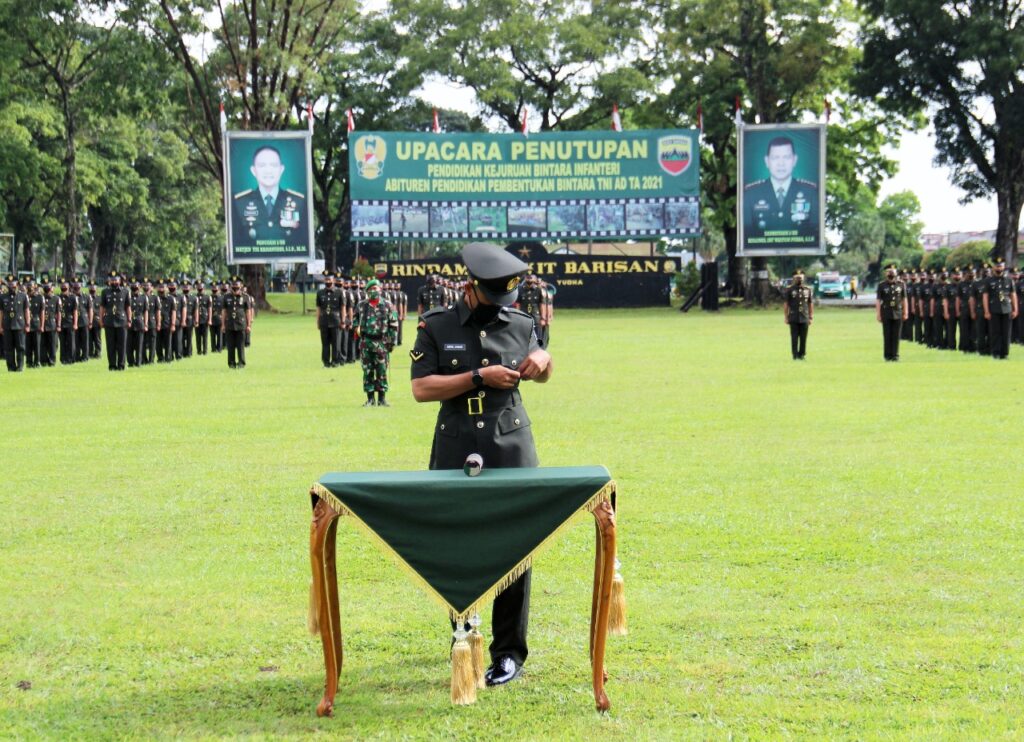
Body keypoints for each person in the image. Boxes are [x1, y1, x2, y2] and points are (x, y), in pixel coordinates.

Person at [409, 242, 552, 687]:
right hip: (456, 444)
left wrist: (543, 360)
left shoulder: (521, 322)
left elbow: (543, 366)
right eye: (495, 298)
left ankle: (508, 653)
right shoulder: (437, 324)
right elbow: (421, 388)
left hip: (510, 445)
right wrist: (476, 377)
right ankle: (463, 635)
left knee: (518, 546)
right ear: (472, 287)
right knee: (456, 542)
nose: (501, 308)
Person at [743, 136, 818, 241]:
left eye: (786, 157)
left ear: (794, 160)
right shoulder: (751, 194)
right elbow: (747, 232)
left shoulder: (810, 193)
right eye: (775, 158)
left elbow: (815, 230)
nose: (781, 163)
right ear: (767, 161)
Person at [231, 145, 306, 247]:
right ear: (253, 170)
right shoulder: (240, 202)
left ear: (281, 169)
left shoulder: (299, 201)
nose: (268, 170)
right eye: (262, 165)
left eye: (274, 165)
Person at [354, 278, 398, 406]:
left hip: (381, 343)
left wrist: (391, 343)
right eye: (371, 289)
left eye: (376, 288)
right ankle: (370, 399)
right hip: (366, 343)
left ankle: (382, 399)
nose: (374, 291)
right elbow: (355, 321)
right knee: (368, 371)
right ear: (367, 291)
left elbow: (393, 325)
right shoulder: (361, 305)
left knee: (381, 370)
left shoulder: (388, 305)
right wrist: (357, 329)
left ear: (380, 289)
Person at [983, 257, 1018, 359]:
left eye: (1001, 266)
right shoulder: (988, 281)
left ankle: (1005, 353)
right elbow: (985, 297)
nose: (999, 268)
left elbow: (1013, 295)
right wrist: (986, 311)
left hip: (1007, 309)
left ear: (1004, 267)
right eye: (997, 266)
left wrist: (1015, 309)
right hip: (994, 309)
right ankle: (996, 352)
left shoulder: (1009, 280)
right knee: (995, 332)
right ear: (994, 267)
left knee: (1006, 333)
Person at [875, 264, 908, 361]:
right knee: (887, 335)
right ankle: (887, 355)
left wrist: (906, 312)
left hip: (898, 312)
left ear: (896, 273)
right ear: (886, 273)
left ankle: (895, 355)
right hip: (886, 312)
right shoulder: (881, 285)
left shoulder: (901, 284)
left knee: (896, 335)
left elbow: (904, 299)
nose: (891, 273)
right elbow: (878, 301)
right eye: (889, 271)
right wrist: (878, 314)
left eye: (893, 271)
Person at [100, 270, 130, 371]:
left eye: (116, 280)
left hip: (121, 321)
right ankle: (112, 365)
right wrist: (101, 319)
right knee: (110, 345)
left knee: (122, 345)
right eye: (112, 280)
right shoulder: (105, 292)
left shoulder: (125, 291)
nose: (114, 282)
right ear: (109, 281)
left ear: (120, 280)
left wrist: (129, 320)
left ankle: (121, 365)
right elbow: (102, 307)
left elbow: (128, 307)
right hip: (109, 321)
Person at [0, 274, 30, 372]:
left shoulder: (23, 296)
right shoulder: (2, 297)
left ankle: (20, 366)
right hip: (7, 325)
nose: (12, 287)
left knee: (20, 347)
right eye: (10, 285)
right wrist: (0, 326)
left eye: (13, 285)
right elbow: (1, 312)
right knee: (9, 348)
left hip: (19, 325)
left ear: (17, 284)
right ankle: (11, 367)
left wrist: (27, 324)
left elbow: (26, 311)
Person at [221, 275, 252, 368]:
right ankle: (231, 363)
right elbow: (224, 311)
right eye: (233, 285)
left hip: (241, 324)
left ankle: (241, 363)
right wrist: (223, 325)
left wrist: (249, 325)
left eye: (237, 286)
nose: (235, 288)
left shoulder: (246, 297)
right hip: (229, 324)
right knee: (230, 346)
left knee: (240, 345)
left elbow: (248, 312)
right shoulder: (226, 297)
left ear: (241, 286)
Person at [783, 269, 812, 359]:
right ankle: (795, 355)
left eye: (801, 278)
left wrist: (811, 317)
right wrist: (786, 317)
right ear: (794, 279)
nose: (799, 279)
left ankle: (802, 354)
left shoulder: (807, 290)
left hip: (804, 317)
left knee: (803, 338)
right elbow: (786, 304)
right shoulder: (789, 290)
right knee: (794, 337)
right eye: (797, 278)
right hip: (793, 317)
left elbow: (810, 304)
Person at [316, 270, 342, 367]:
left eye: (329, 280)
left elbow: (342, 308)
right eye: (326, 280)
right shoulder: (320, 293)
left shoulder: (339, 292)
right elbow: (318, 308)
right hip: (324, 321)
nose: (328, 282)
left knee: (335, 343)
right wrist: (317, 321)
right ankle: (326, 362)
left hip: (335, 320)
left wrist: (343, 320)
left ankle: (335, 361)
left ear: (333, 281)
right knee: (325, 343)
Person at [127, 278, 148, 367]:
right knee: (129, 345)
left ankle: (138, 362)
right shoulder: (127, 297)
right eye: (133, 286)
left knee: (139, 344)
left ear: (139, 287)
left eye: (136, 286)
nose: (135, 288)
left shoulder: (143, 298)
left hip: (139, 323)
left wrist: (146, 324)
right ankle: (131, 362)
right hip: (129, 323)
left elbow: (146, 311)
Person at [58, 278, 78, 364]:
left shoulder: (73, 298)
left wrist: (75, 323)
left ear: (69, 287)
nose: (63, 287)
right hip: (61, 323)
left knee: (71, 342)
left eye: (65, 286)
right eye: (62, 286)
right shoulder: (58, 298)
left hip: (70, 322)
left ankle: (71, 358)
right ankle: (63, 359)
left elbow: (75, 311)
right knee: (62, 342)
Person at [957, 266, 976, 352]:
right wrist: (958, 310)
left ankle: (973, 347)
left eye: (972, 273)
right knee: (964, 329)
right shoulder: (961, 284)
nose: (971, 275)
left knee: (974, 329)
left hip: (975, 309)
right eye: (969, 273)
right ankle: (964, 347)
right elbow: (958, 299)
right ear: (965, 274)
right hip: (964, 309)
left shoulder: (977, 283)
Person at [41, 278, 59, 366]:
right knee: (42, 344)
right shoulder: (40, 298)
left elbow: (58, 313)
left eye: (48, 286)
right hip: (42, 324)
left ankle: (52, 361)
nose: (47, 288)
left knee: (52, 344)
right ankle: (44, 361)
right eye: (45, 286)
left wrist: (58, 324)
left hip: (52, 324)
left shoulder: (56, 299)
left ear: (51, 287)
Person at [26, 278, 44, 368]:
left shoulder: (39, 297)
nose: (30, 286)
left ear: (35, 286)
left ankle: (37, 362)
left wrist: (42, 325)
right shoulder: (24, 297)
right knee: (28, 344)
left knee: (37, 344)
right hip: (26, 324)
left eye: (31, 285)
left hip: (36, 323)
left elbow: (42, 312)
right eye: (28, 285)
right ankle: (29, 362)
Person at [73, 278, 92, 363]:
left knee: (85, 341)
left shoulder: (86, 296)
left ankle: (85, 356)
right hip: (74, 322)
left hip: (84, 321)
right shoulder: (71, 296)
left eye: (78, 286)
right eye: (75, 286)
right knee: (76, 340)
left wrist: (90, 321)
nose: (77, 288)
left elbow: (90, 310)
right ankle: (76, 356)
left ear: (81, 286)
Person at [195, 280, 211, 355]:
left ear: (204, 287)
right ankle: (199, 351)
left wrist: (209, 319)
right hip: (197, 319)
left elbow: (209, 309)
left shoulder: (207, 297)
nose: (200, 288)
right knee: (198, 337)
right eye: (198, 286)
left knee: (205, 337)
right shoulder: (195, 297)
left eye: (201, 286)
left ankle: (205, 351)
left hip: (205, 319)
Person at [88, 281, 102, 358]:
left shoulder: (99, 298)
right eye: (91, 287)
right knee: (89, 339)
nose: (92, 288)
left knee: (97, 338)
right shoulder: (86, 297)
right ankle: (90, 353)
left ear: (96, 288)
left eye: (94, 287)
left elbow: (102, 309)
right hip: (88, 321)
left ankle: (98, 353)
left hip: (97, 321)